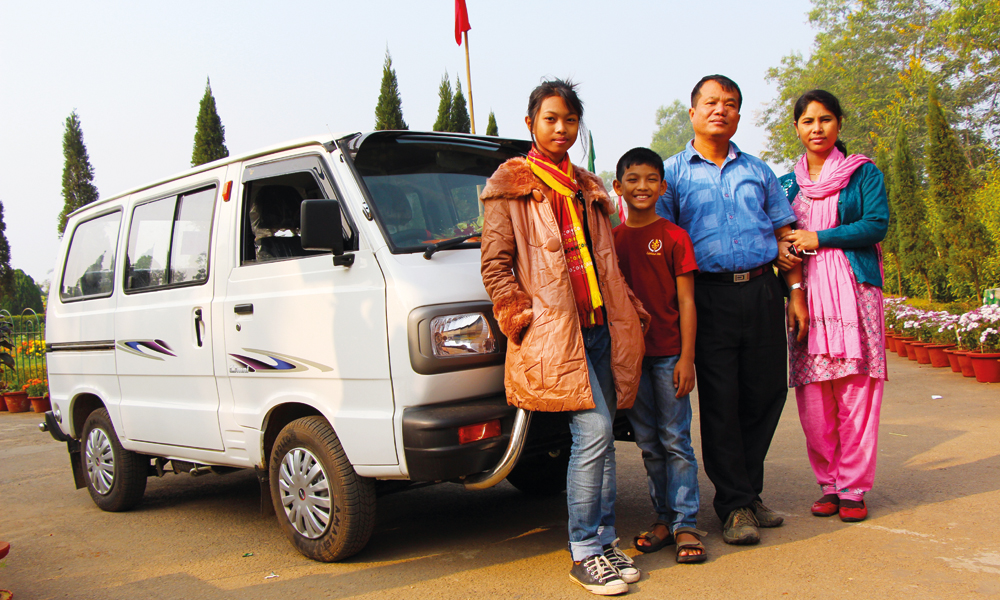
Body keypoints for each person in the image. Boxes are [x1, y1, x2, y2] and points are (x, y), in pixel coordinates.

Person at [480, 79, 648, 595]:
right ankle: (583, 551)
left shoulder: (589, 186)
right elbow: (495, 265)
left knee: (599, 439)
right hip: (557, 334)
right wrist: (518, 315)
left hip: (599, 328)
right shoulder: (510, 182)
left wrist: (629, 308)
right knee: (595, 432)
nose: (561, 128)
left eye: (570, 120)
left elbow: (608, 262)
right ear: (530, 123)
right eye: (550, 118)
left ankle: (604, 541)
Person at [656, 74, 808, 546]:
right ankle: (735, 505)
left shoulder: (759, 171)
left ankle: (750, 492)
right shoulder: (672, 173)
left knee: (765, 395)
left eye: (731, 104)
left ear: (739, 114)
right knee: (722, 401)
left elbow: (785, 233)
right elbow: (658, 239)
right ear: (693, 112)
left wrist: (796, 292)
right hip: (707, 296)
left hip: (763, 291)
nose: (721, 110)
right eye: (711, 102)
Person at [775, 89, 888, 523]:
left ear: (839, 123)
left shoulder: (863, 174)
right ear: (798, 128)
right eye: (808, 121)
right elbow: (781, 234)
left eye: (825, 119)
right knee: (815, 398)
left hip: (855, 294)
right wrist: (782, 253)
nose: (816, 128)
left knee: (858, 391)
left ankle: (854, 487)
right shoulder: (787, 184)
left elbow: (875, 224)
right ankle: (829, 484)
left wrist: (820, 238)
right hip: (806, 295)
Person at [611, 147, 706, 563]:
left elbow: (687, 302)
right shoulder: (611, 241)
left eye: (651, 179)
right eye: (632, 179)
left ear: (663, 187)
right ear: (618, 188)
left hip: (669, 356)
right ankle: (663, 519)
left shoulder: (674, 237)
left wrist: (687, 358)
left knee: (676, 440)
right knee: (649, 443)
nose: (642, 187)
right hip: (632, 360)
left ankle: (686, 522)